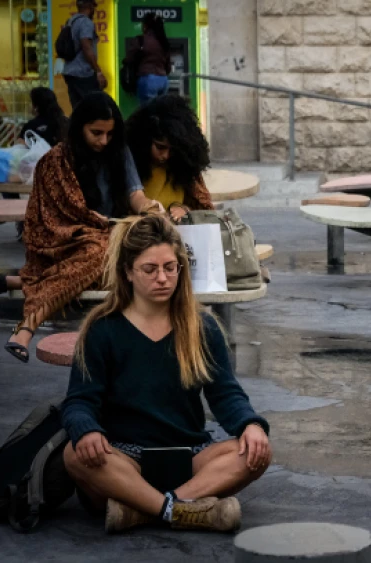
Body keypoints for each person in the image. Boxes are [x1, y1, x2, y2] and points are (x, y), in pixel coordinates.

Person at [61, 214, 271, 533]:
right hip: (123, 456)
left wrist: (251, 425)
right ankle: (183, 510)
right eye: (150, 269)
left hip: (190, 456)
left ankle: (144, 509)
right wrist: (87, 430)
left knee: (255, 452)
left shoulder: (203, 327)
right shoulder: (102, 329)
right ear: (128, 272)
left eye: (170, 268)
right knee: (74, 455)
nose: (162, 278)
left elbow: (226, 394)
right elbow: (79, 401)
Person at [1, 93, 163, 362]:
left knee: (139, 252)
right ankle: (27, 327)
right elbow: (45, 221)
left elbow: (135, 194)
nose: (103, 141)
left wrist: (149, 208)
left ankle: (22, 281)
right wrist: (93, 228)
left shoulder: (118, 151)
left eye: (109, 134)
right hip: (64, 242)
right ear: (79, 128)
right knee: (100, 252)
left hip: (108, 235)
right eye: (96, 133)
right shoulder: (55, 162)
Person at [126, 95, 214, 222]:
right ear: (145, 140)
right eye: (160, 147)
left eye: (173, 150)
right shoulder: (130, 164)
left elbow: (203, 210)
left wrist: (185, 210)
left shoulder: (184, 167)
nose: (166, 155)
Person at [61, 0, 106, 110]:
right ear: (90, 7)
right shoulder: (86, 22)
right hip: (83, 73)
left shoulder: (70, 21)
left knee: (78, 110)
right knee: (94, 109)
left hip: (70, 71)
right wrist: (98, 71)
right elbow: (86, 46)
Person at [124, 12, 172, 106]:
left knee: (147, 113)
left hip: (148, 79)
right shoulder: (164, 42)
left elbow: (129, 59)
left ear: (146, 26)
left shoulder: (141, 40)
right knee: (160, 112)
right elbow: (168, 67)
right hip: (163, 80)